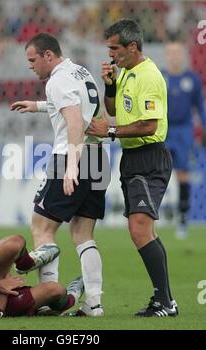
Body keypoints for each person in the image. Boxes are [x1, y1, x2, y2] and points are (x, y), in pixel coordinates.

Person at [11, 33, 110, 316]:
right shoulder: (79, 71)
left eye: (33, 60)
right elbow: (87, 109)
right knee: (82, 234)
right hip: (97, 157)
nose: (30, 66)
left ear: (48, 56)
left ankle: (47, 298)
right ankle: (93, 303)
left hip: (72, 155)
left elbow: (75, 121)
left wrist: (70, 166)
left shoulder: (57, 80)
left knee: (42, 227)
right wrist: (39, 105)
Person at [86, 19, 178, 317]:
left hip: (149, 157)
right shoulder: (126, 71)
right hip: (132, 158)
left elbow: (149, 125)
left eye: (115, 48)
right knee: (144, 230)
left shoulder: (149, 76)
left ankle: (165, 301)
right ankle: (165, 301)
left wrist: (109, 132)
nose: (110, 54)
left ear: (132, 46)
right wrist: (110, 84)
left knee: (139, 229)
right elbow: (113, 110)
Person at [162, 39, 206, 239]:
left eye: (177, 52)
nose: (174, 56)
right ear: (166, 56)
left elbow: (199, 107)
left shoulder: (192, 79)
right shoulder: (160, 77)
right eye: (170, 52)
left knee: (183, 176)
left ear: (183, 55)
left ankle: (182, 220)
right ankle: (154, 216)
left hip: (183, 132)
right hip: (162, 130)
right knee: (157, 174)